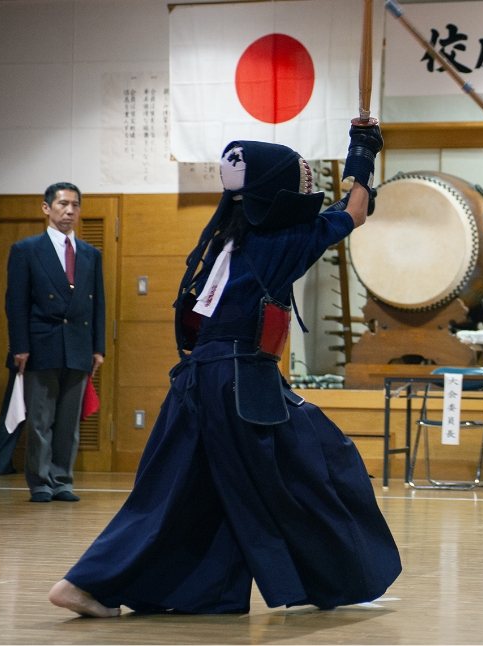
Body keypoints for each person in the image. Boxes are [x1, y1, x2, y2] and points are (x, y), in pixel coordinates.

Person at [48, 120, 401, 617]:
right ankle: (339, 576)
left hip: (197, 380)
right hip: (243, 385)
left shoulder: (224, 241)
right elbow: (355, 210)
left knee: (183, 493)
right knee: (320, 466)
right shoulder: (288, 239)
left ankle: (99, 586)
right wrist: (363, 148)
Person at [5, 183, 104, 502]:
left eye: (75, 205)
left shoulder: (91, 253)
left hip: (77, 345)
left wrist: (98, 346)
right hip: (41, 344)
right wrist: (20, 345)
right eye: (63, 204)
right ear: (47, 208)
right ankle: (40, 482)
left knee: (67, 423)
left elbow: (97, 303)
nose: (70, 210)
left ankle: (63, 480)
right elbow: (16, 302)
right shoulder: (26, 249)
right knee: (39, 420)